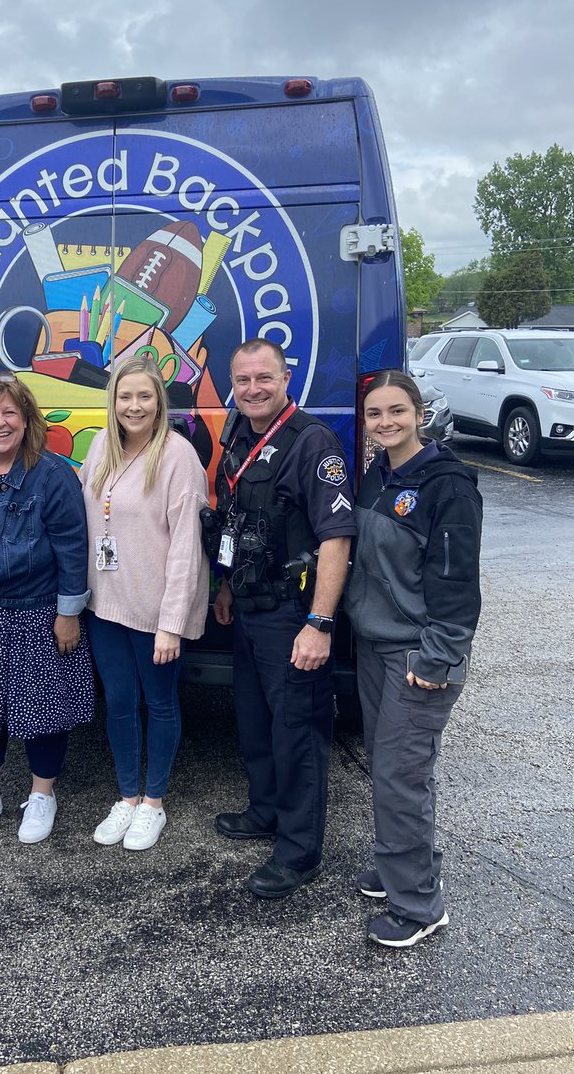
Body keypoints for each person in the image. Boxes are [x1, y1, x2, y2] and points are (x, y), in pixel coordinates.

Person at [208, 339, 355, 898]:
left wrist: (319, 624)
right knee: (256, 724)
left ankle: (299, 852)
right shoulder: (238, 434)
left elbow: (336, 539)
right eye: (242, 380)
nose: (253, 389)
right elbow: (236, 520)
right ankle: (265, 812)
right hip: (247, 608)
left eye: (263, 378)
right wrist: (224, 587)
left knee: (298, 732)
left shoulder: (312, 443)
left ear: (286, 377)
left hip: (293, 614)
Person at [343, 370, 482, 948]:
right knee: (389, 766)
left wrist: (438, 657)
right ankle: (404, 863)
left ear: (418, 413)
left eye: (396, 411)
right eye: (375, 414)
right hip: (376, 645)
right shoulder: (380, 472)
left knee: (400, 776)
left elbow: (455, 584)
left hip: (417, 654)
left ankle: (419, 904)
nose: (386, 422)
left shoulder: (447, 485)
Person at [0, 373, 93, 846]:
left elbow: (73, 548)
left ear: (27, 421)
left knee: (41, 710)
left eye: (10, 413)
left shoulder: (52, 474)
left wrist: (69, 613)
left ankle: (42, 795)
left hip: (34, 614)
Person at [79, 354, 209, 851]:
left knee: (159, 704)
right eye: (124, 396)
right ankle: (127, 797)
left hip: (154, 611)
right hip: (105, 606)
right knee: (118, 703)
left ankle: (154, 803)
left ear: (160, 402)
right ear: (112, 402)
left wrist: (172, 623)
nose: (134, 406)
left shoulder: (177, 456)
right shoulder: (100, 448)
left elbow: (185, 546)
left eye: (144, 396)